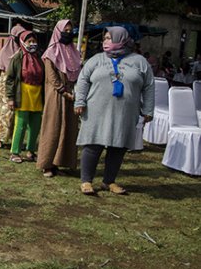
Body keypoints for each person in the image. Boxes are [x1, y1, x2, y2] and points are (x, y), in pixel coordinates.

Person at [74, 26, 155, 195]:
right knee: (93, 144)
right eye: (105, 38)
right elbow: (82, 81)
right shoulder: (96, 60)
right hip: (96, 110)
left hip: (125, 112)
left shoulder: (139, 61)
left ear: (122, 39)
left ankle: (109, 181)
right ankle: (86, 181)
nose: (105, 41)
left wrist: (148, 110)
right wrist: (79, 102)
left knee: (118, 146)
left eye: (109, 38)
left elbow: (149, 87)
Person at [36, 20, 81, 177]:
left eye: (70, 30)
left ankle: (59, 162)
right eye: (65, 30)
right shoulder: (51, 52)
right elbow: (52, 77)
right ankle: (46, 164)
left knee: (68, 128)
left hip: (71, 95)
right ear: (58, 32)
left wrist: (74, 92)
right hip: (56, 95)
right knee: (53, 127)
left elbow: (78, 73)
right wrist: (63, 91)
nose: (68, 33)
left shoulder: (75, 51)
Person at [5, 31, 44, 163]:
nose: (32, 44)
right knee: (20, 124)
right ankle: (15, 152)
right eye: (29, 41)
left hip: (37, 94)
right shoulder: (17, 58)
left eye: (34, 41)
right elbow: (10, 78)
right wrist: (10, 98)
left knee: (35, 124)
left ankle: (31, 150)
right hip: (23, 94)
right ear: (22, 42)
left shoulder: (39, 57)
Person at [0, 24, 26, 146]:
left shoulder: (24, 51)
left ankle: (14, 139)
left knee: (16, 113)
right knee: (4, 113)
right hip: (5, 87)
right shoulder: (5, 51)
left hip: (20, 86)